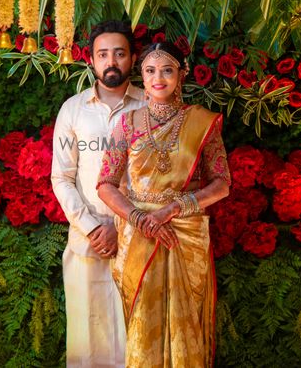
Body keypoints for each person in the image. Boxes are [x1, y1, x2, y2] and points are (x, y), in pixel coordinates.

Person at [97, 41, 231, 368]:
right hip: (137, 236)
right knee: (142, 321)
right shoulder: (125, 124)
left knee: (187, 320)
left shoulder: (202, 122)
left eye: (167, 70)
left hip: (184, 233)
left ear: (181, 75)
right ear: (140, 76)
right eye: (150, 70)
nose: (159, 78)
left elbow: (222, 184)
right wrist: (141, 218)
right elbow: (105, 185)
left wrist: (173, 209)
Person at [51, 20, 145, 368]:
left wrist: (120, 226)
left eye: (119, 54)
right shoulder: (73, 110)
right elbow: (61, 177)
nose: (111, 61)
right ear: (91, 60)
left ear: (133, 59)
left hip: (139, 241)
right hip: (87, 244)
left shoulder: (151, 105)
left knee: (138, 339)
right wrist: (93, 227)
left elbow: (162, 180)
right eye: (103, 54)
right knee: (88, 346)